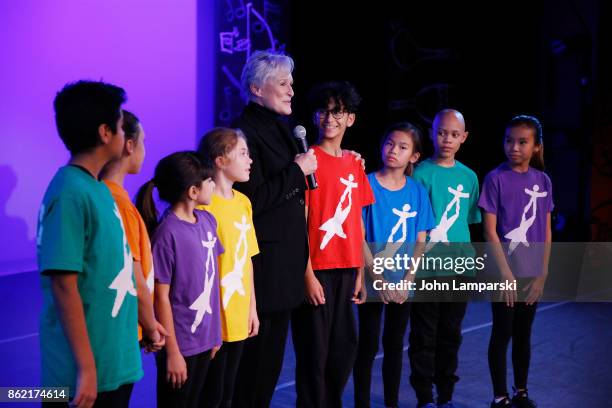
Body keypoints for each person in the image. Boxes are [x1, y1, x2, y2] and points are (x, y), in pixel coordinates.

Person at [37, 80, 142, 408]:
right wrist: (85, 369)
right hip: (82, 379)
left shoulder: (96, 189)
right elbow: (63, 284)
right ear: (105, 133)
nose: (127, 135)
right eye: (123, 126)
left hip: (112, 363)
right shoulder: (70, 192)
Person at [231, 50, 316, 407]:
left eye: (292, 84)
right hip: (265, 271)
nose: (291, 91)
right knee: (254, 369)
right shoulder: (245, 133)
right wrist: (297, 171)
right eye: (283, 83)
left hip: (284, 270)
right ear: (256, 88)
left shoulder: (282, 129)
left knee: (269, 368)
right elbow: (253, 201)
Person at [291, 80, 373, 408]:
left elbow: (356, 223)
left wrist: (360, 273)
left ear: (350, 119)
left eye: (337, 112)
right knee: (314, 356)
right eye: (323, 111)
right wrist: (307, 274)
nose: (330, 118)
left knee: (344, 350)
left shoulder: (355, 163)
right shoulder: (307, 159)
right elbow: (299, 223)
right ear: (314, 117)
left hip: (346, 270)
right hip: (317, 271)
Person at [353, 122, 435, 408]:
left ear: (413, 156)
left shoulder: (416, 191)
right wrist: (377, 279)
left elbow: (421, 238)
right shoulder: (367, 183)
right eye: (390, 144)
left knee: (394, 346)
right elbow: (358, 235)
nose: (394, 151)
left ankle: (391, 403)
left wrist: (407, 281)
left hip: (402, 286)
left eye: (402, 147)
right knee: (367, 345)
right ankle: (361, 402)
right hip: (373, 283)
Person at [136, 152, 223, 408]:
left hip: (207, 341)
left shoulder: (208, 221)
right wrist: (172, 352)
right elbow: (161, 296)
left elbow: (211, 278)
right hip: (182, 346)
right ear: (193, 191)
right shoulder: (167, 234)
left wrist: (214, 333)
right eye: (209, 181)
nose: (214, 185)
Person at [479, 115, 553, 408]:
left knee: (524, 334)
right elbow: (489, 230)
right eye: (509, 140)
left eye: (523, 142)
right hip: (503, 273)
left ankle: (521, 392)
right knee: (503, 332)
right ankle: (500, 397)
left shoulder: (543, 181)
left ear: (536, 146)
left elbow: (546, 231)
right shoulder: (495, 178)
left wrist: (542, 273)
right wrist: (506, 273)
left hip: (531, 272)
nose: (514, 147)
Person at [410, 109, 482, 408]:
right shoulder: (419, 173)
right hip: (426, 268)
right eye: (442, 132)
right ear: (432, 133)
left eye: (454, 134)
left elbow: (467, 218)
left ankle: (446, 397)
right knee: (424, 335)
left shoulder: (469, 177)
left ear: (464, 137)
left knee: (450, 334)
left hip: (458, 267)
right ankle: (424, 397)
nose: (447, 139)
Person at [196, 127, 260, 408]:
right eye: (243, 153)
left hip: (238, 315)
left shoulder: (244, 202)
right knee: (210, 394)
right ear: (220, 160)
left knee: (228, 394)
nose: (250, 161)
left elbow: (246, 260)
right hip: (213, 321)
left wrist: (252, 308)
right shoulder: (205, 207)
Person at [100, 109, 167, 353]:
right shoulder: (118, 202)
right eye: (144, 141)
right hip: (124, 328)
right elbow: (133, 275)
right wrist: (151, 327)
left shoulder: (106, 195)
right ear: (129, 145)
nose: (144, 149)